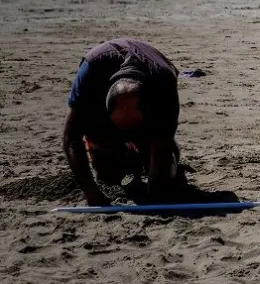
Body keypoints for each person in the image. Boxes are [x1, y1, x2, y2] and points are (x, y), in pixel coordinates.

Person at [62, 38, 182, 206]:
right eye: (122, 124)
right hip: (101, 76)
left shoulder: (163, 84)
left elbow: (162, 143)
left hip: (154, 76)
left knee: (166, 174)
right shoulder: (90, 74)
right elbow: (71, 138)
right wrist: (91, 192)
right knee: (106, 173)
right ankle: (117, 156)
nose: (128, 130)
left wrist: (155, 193)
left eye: (132, 123)